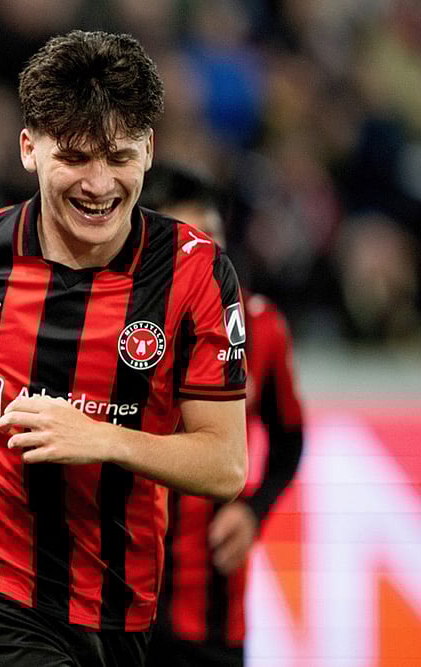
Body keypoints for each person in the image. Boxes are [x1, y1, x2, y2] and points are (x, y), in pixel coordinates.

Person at [0, 30, 248, 666]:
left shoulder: (194, 272)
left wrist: (103, 439)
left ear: (149, 150)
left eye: (118, 156)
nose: (99, 183)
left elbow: (225, 464)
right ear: (29, 149)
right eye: (76, 157)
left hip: (121, 604)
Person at [140, 164, 304, 667]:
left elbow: (290, 441)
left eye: (212, 238)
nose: (204, 256)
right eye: (187, 242)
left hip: (212, 611)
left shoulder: (260, 327)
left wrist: (253, 511)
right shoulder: (109, 327)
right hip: (116, 602)